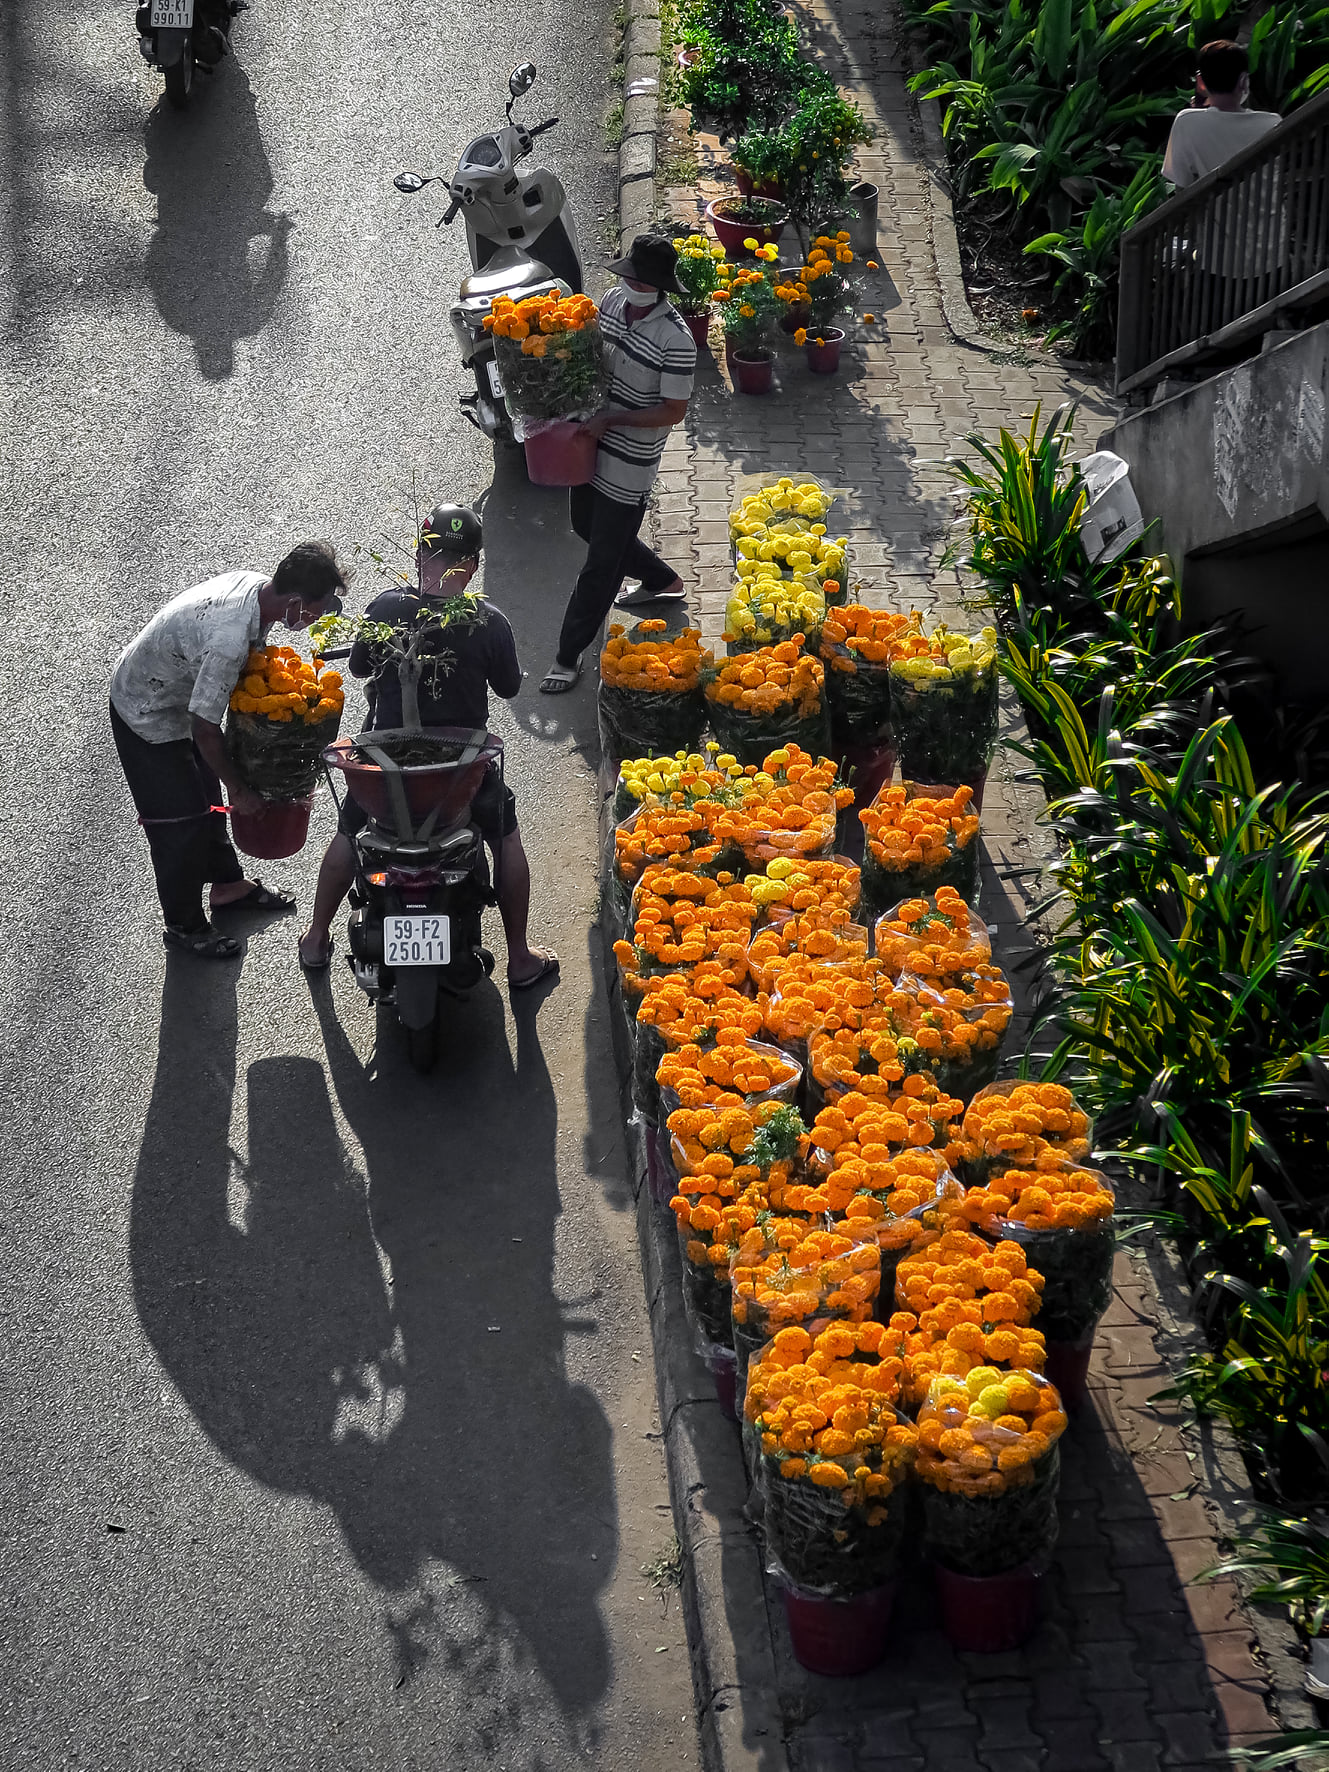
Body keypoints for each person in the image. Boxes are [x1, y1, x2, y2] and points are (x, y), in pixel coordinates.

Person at [298, 504, 559, 993]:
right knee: (504, 836)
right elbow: (506, 688)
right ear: (473, 566)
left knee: (348, 830)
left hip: (383, 776)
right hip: (460, 779)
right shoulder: (488, 621)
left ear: (419, 555)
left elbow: (356, 669)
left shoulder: (384, 611)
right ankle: (520, 958)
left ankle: (315, 940)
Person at [111, 542, 348, 960]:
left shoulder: (259, 590)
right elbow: (206, 729)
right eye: (315, 611)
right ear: (294, 601)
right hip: (146, 709)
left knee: (207, 798)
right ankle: (183, 925)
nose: (314, 620)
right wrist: (242, 790)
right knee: (181, 819)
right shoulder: (228, 640)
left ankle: (227, 886)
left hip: (180, 699)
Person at [540, 234, 697, 694]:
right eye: (625, 273)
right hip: (588, 444)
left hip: (629, 460)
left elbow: (673, 410)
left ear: (655, 286)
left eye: (634, 277)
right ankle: (662, 579)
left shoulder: (676, 339)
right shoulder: (609, 302)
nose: (625, 281)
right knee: (585, 526)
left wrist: (615, 419)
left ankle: (568, 656)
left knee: (601, 563)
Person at [1162, 40, 1280, 189]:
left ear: (1200, 83)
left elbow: (1182, 186)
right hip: (1269, 212)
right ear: (1243, 82)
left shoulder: (1186, 122)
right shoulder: (1272, 123)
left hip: (1215, 212)